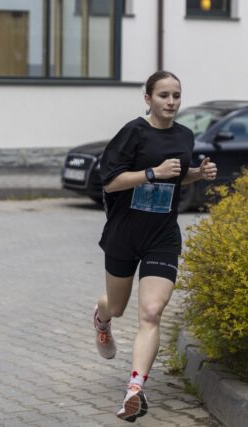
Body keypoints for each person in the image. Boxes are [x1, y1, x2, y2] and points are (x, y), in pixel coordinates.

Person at [92, 70, 217, 422]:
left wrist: (197, 174)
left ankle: (135, 390)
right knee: (116, 307)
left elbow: (177, 176)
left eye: (176, 95)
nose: (171, 102)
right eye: (164, 95)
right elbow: (111, 181)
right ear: (148, 98)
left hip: (161, 236)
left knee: (151, 312)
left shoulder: (184, 135)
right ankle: (101, 320)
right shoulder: (132, 133)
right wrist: (152, 173)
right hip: (124, 233)